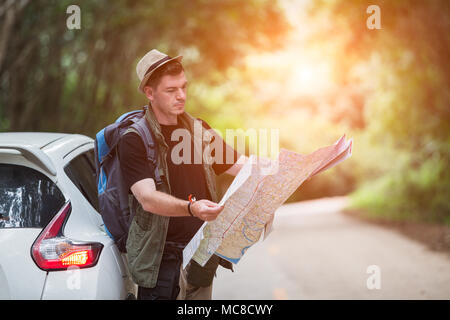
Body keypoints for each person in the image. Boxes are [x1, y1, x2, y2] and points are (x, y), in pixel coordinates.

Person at [120, 49, 247, 300]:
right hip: (161, 263)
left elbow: (243, 167)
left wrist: (294, 168)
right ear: (149, 93)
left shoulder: (200, 131)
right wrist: (192, 208)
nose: (181, 96)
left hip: (200, 259)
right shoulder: (134, 139)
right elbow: (148, 198)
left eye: (183, 87)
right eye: (171, 90)